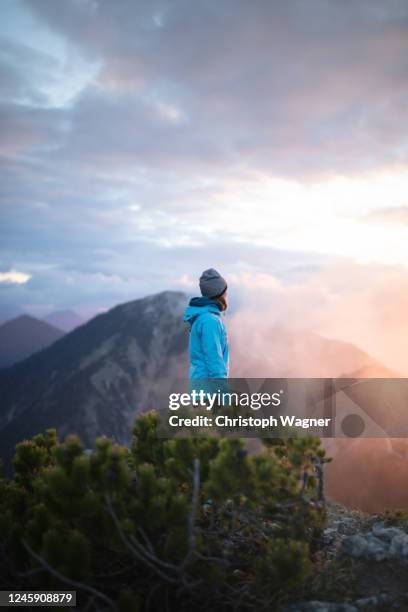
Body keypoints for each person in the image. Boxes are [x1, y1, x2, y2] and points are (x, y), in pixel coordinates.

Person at [183, 268, 229, 381]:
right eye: (225, 291)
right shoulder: (210, 321)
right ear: (219, 293)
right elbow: (214, 359)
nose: (227, 294)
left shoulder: (203, 317)